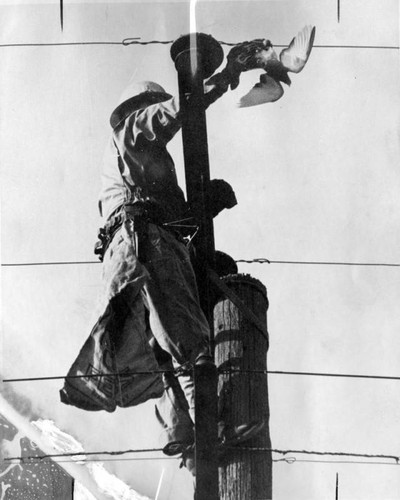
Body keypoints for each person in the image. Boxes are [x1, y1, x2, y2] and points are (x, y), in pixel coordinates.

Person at [60, 79, 262, 475]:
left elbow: (174, 216)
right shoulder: (133, 131)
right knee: (190, 343)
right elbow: (176, 111)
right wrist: (219, 80)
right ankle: (218, 425)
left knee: (158, 353)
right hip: (147, 241)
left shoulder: (138, 165)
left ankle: (187, 442)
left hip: (126, 254)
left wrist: (205, 209)